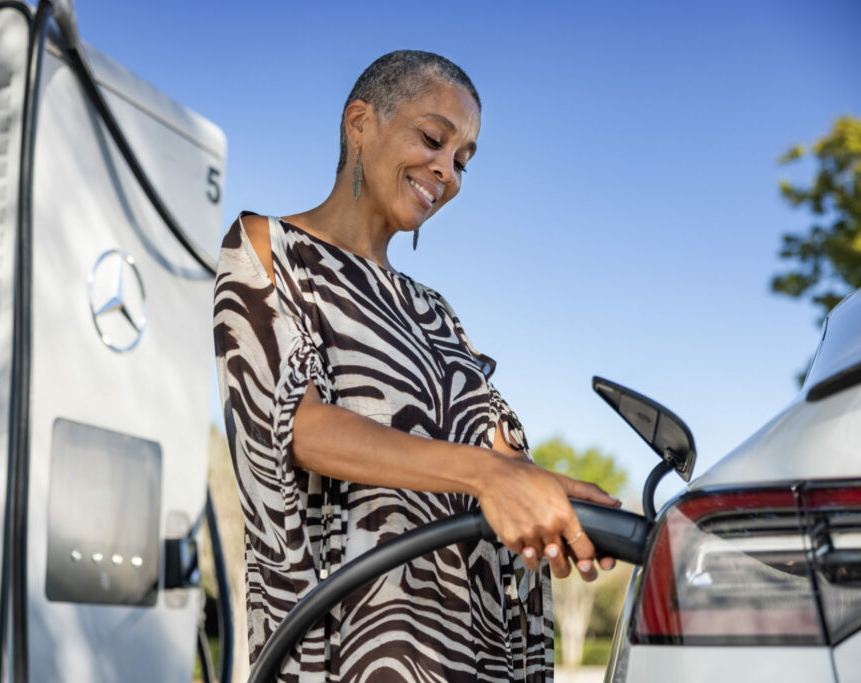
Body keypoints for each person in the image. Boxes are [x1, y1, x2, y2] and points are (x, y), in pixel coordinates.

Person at [213, 50, 620, 683]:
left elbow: (497, 456)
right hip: (349, 644)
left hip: (470, 647)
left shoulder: (436, 313)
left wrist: (551, 498)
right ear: (360, 123)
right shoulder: (269, 249)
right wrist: (489, 475)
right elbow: (295, 426)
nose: (448, 172)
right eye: (434, 139)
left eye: (462, 160)